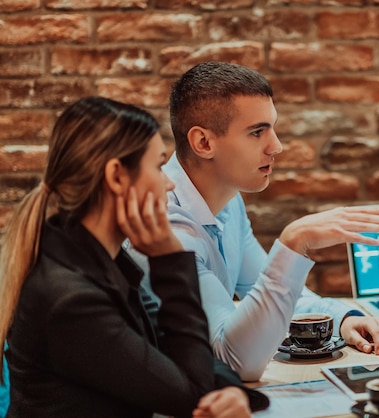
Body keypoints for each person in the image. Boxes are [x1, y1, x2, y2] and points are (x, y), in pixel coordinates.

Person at [0, 96, 268, 417]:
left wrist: (229, 390)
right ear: (116, 176)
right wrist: (170, 258)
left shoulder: (101, 261)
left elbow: (175, 349)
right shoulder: (70, 299)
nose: (168, 184)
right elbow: (190, 395)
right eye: (158, 166)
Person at [131, 62, 379, 381]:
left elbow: (267, 295)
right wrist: (293, 244)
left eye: (272, 128)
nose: (277, 146)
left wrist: (342, 317)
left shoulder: (229, 202)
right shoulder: (164, 221)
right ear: (203, 143)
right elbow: (235, 360)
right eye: (257, 132)